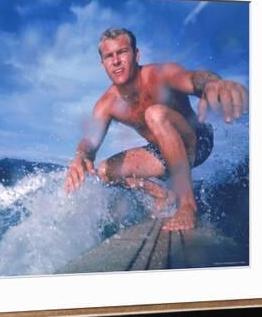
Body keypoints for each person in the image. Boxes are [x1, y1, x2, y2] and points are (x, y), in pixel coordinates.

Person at [64, 28, 248, 231]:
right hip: (163, 152)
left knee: (155, 114)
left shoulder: (159, 75)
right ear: (103, 64)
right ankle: (162, 194)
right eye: (109, 56)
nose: (116, 61)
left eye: (122, 52)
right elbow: (90, 141)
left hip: (197, 140)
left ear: (136, 54)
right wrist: (81, 155)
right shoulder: (106, 104)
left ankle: (187, 205)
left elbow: (193, 78)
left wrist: (215, 84)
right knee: (104, 171)